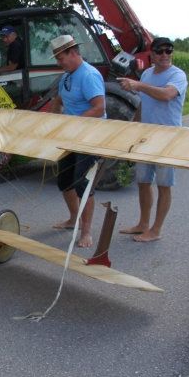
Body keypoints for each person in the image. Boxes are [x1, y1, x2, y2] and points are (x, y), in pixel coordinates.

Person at [117, 37, 188, 242]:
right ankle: (143, 223)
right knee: (143, 181)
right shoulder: (147, 73)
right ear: (152, 55)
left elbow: (167, 95)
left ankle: (156, 230)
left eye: (169, 50)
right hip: (146, 137)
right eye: (160, 51)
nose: (165, 55)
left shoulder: (177, 75)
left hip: (167, 137)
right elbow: (144, 103)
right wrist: (134, 125)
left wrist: (138, 85)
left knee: (164, 184)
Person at [48, 34, 106, 248]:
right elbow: (59, 100)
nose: (58, 62)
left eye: (60, 57)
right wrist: (53, 122)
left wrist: (72, 123)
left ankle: (87, 231)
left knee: (82, 183)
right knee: (64, 181)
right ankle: (74, 219)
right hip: (70, 136)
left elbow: (99, 108)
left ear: (73, 53)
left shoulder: (89, 75)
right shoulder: (66, 76)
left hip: (90, 137)